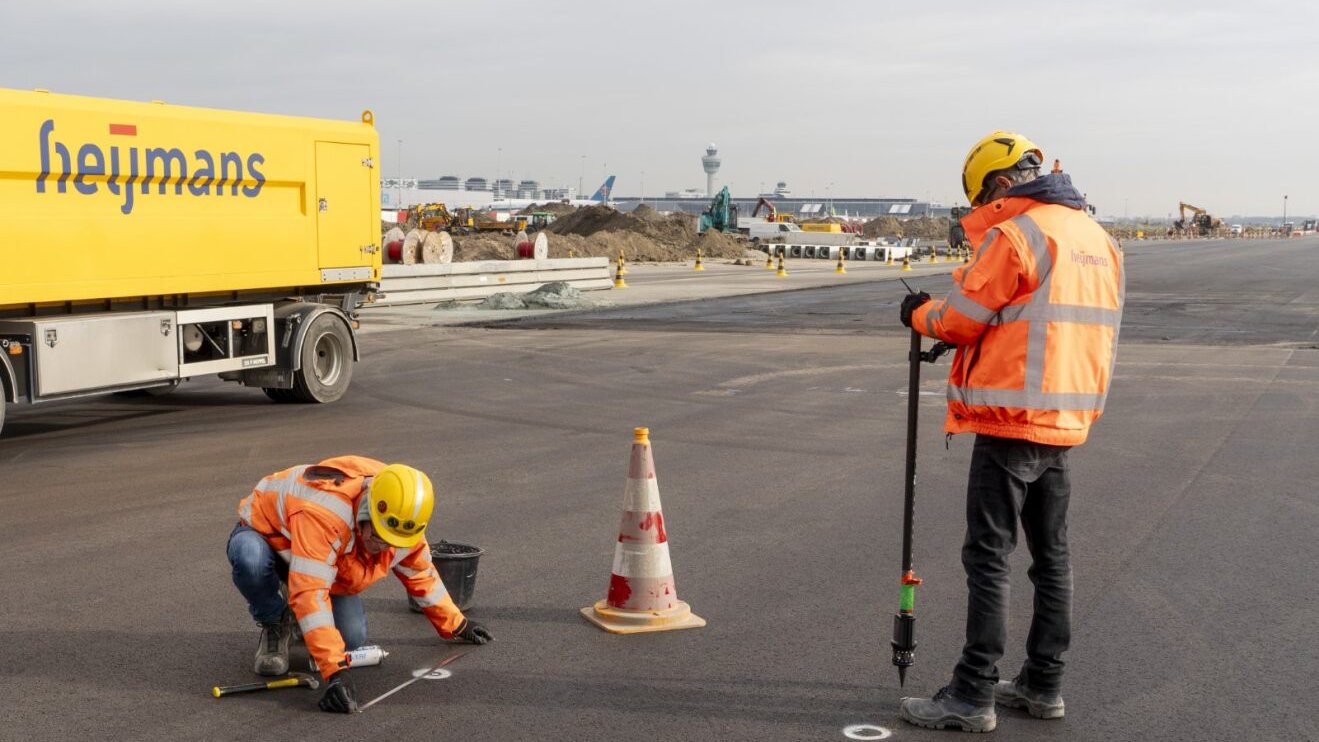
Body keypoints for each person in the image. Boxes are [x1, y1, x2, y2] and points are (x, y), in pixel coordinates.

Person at [897, 131, 1125, 732]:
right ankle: (1043, 683)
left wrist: (918, 313)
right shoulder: (1098, 239)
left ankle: (973, 693)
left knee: (988, 557)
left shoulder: (1017, 232)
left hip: (1011, 419)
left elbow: (961, 321)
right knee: (1052, 559)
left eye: (980, 198)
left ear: (1001, 184)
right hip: (1065, 420)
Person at [226, 456, 493, 713]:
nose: (384, 546)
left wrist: (457, 624)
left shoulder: (402, 518)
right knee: (250, 558)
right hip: (270, 537)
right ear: (367, 512)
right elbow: (310, 592)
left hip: (320, 556)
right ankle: (275, 620)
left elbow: (421, 574)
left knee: (351, 637)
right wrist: (335, 671)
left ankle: (301, 617)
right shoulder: (327, 512)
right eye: (378, 537)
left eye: (393, 542)